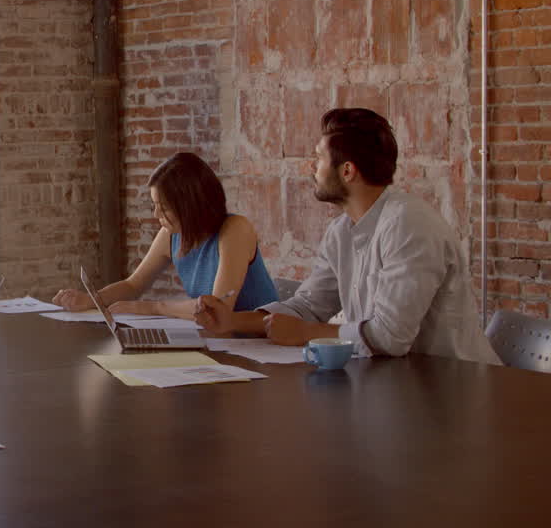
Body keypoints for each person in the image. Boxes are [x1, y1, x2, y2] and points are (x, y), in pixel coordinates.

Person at [195, 108, 500, 363]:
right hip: (396, 388)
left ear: (347, 171)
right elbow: (308, 306)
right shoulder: (341, 232)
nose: (311, 168)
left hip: (456, 391)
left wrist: (304, 333)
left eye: (319, 158)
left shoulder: (409, 223)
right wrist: (232, 320)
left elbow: (390, 337)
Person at [52, 152, 278, 319]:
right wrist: (91, 300)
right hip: (219, 340)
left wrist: (152, 307)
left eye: (165, 207)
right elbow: (133, 286)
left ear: (191, 205)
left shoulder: (235, 229)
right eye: (155, 205)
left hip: (257, 343)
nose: (156, 214)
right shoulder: (171, 235)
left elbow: (216, 310)